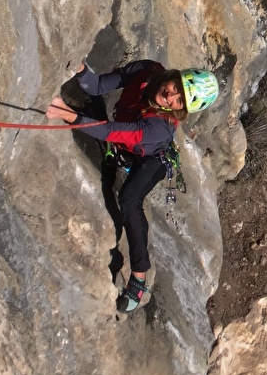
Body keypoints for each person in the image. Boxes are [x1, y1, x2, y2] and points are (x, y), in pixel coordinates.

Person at [46, 61, 219, 312]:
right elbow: (97, 86)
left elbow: (109, 131)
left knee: (129, 200)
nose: (171, 96)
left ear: (181, 110)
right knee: (92, 105)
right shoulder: (146, 70)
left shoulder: (159, 126)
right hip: (127, 145)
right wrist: (81, 67)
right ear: (174, 76)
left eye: (179, 101)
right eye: (176, 87)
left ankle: (139, 274)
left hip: (151, 160)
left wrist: (66, 113)